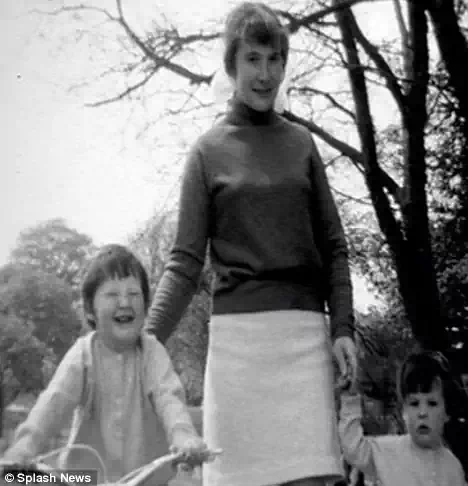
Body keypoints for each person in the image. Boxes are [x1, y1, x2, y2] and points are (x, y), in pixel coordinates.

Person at [146, 3, 357, 485]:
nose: (265, 74)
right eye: (252, 59)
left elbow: (334, 247)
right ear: (231, 66)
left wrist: (343, 328)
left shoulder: (302, 144)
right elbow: (183, 264)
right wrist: (145, 342)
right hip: (236, 351)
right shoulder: (206, 151)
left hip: (304, 342)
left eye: (274, 59)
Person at [1, 244, 213, 485]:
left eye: (134, 294)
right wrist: (24, 448)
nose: (124, 302)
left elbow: (169, 398)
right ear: (90, 311)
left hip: (147, 479)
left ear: (146, 306)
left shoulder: (152, 352)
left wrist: (183, 436)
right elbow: (54, 401)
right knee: (24, 478)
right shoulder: (83, 354)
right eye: (112, 295)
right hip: (84, 479)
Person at [338, 350, 467, 485]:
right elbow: (353, 449)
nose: (422, 413)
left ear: (446, 412)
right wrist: (350, 397)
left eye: (432, 403)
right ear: (403, 410)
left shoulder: (453, 468)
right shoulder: (387, 451)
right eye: (414, 403)